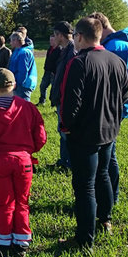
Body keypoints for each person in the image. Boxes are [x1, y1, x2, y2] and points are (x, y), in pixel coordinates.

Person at [60, 17, 128, 250]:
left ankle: (84, 239)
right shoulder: (117, 61)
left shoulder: (79, 62)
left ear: (79, 36)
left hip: (85, 135)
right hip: (109, 131)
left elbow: (70, 104)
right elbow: (124, 97)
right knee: (103, 176)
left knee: (85, 186)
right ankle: (105, 221)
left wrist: (67, 128)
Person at [0, 68, 46, 257]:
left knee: (4, 203)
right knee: (22, 202)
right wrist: (28, 151)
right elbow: (40, 136)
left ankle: (4, 241)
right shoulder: (28, 107)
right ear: (14, 85)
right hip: (23, 162)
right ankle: (22, 241)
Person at [88, 12, 128, 205]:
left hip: (114, 106)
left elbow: (115, 82)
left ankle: (110, 197)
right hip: (113, 105)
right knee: (108, 153)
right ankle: (107, 196)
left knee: (109, 155)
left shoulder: (116, 47)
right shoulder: (115, 44)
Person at [50, 21, 76, 170]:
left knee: (67, 133)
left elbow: (71, 79)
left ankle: (70, 164)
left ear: (60, 35)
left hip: (66, 99)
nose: (53, 38)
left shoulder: (72, 50)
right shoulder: (64, 49)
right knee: (62, 131)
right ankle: (63, 160)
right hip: (61, 98)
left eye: (55, 35)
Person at [8, 32, 37, 101]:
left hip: (23, 84)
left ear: (16, 41)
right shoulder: (17, 51)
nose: (10, 43)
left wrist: (17, 84)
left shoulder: (24, 53)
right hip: (17, 83)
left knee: (24, 106)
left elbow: (23, 71)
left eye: (11, 41)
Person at [36, 35, 61, 106]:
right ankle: (42, 101)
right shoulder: (50, 49)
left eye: (52, 40)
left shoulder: (59, 49)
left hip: (54, 72)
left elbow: (58, 62)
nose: (51, 42)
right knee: (42, 86)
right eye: (50, 40)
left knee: (53, 89)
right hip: (47, 71)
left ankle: (53, 104)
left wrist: (55, 72)